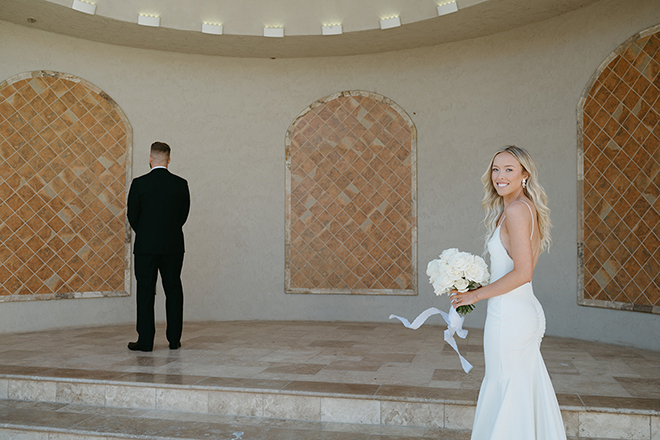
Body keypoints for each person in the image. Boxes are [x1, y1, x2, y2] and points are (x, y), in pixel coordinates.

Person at [451, 146, 566, 439]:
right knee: (520, 388)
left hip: (509, 318)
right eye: (495, 169)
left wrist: (475, 296)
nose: (499, 176)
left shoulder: (516, 211)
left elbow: (523, 272)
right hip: (520, 311)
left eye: (509, 169)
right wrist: (471, 283)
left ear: (525, 174)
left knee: (506, 388)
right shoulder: (520, 207)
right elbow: (509, 269)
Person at [126, 141, 190, 352]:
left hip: (146, 247)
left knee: (145, 292)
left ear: (151, 159)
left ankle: (145, 341)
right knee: (173, 289)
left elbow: (132, 215)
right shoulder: (181, 184)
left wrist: (145, 233)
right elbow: (183, 216)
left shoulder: (139, 183)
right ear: (169, 160)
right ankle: (173, 339)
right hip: (173, 246)